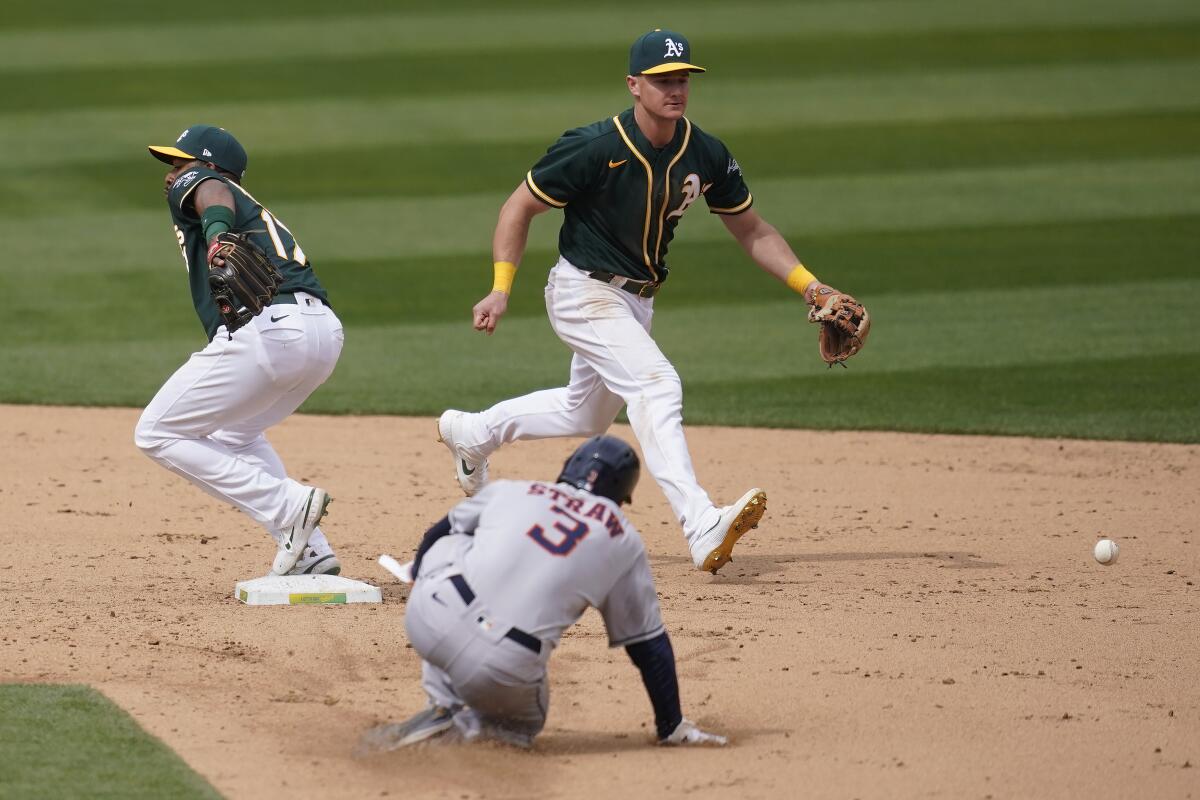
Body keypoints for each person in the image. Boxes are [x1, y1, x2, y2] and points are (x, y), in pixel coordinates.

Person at [438, 29, 859, 573]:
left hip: (636, 302)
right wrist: (501, 286)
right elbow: (517, 208)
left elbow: (751, 228)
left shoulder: (705, 152)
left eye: (682, 78)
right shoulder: (593, 146)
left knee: (585, 411)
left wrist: (812, 285)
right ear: (635, 85)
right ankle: (700, 521)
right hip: (582, 291)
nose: (675, 88)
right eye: (662, 80)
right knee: (657, 385)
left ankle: (471, 433)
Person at [361, 436, 727, 750]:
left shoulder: (511, 489)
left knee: (455, 545)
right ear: (622, 493)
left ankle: (441, 704)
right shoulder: (621, 537)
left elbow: (434, 535)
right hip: (500, 668)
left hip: (429, 617)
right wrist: (671, 724)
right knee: (522, 724)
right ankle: (462, 730)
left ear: (569, 467)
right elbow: (648, 645)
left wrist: (424, 586)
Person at [135, 125, 343, 577]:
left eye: (179, 162)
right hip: (322, 334)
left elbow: (210, 190)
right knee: (236, 437)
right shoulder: (252, 210)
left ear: (209, 164)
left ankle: (287, 503)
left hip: (269, 332)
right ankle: (312, 551)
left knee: (156, 432)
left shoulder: (209, 184)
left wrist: (215, 236)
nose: (171, 175)